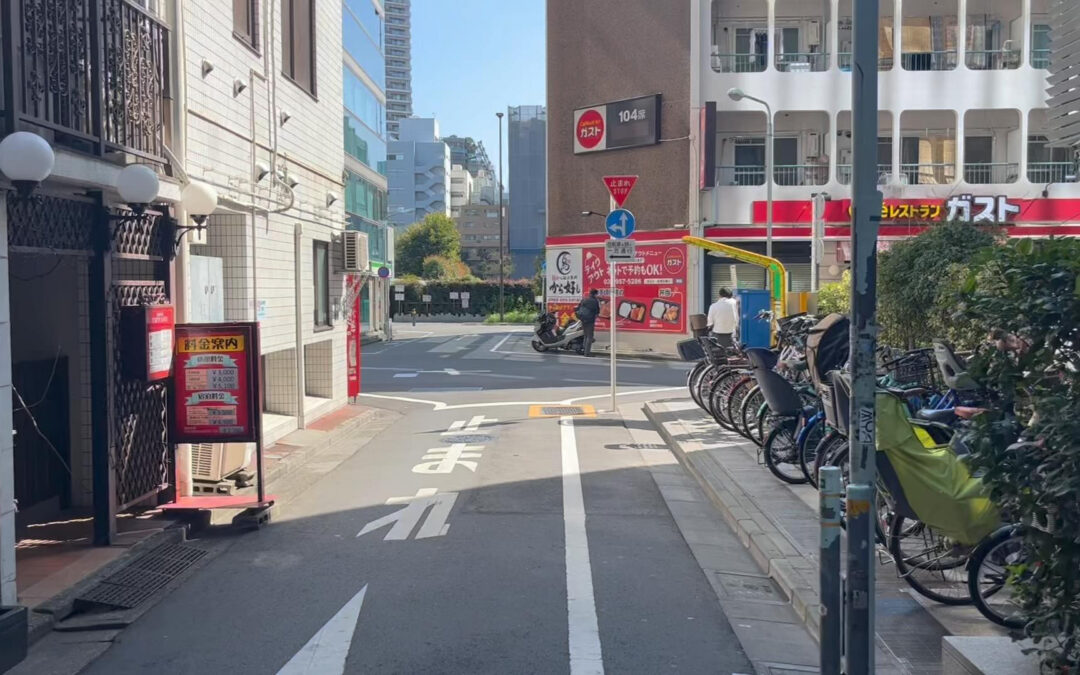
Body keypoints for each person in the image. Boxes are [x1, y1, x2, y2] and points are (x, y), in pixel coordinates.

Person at [576, 289, 601, 356]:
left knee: (586, 335)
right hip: (590, 321)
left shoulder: (584, 299)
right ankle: (587, 353)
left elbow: (578, 308)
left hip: (583, 320)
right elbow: (597, 311)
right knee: (590, 336)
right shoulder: (595, 301)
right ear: (595, 294)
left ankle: (583, 350)